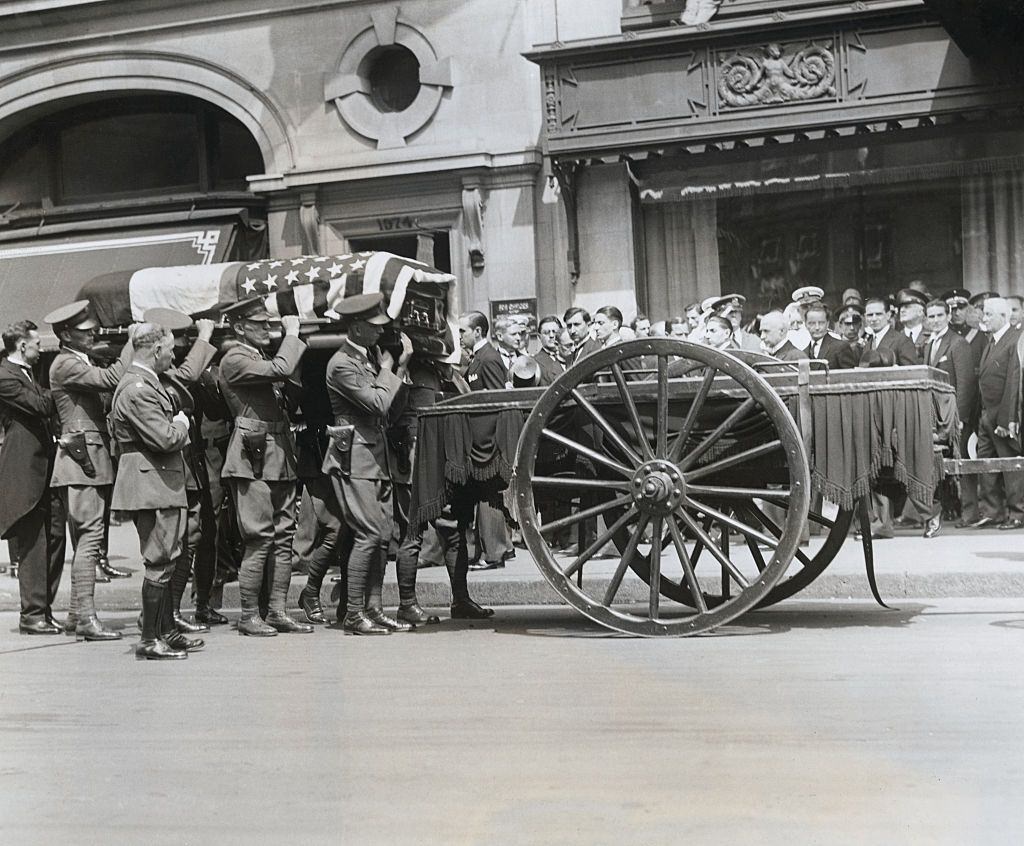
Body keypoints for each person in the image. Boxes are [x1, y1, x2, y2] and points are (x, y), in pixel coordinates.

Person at [108, 322, 203, 660]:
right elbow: (164, 438)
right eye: (171, 348)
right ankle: (150, 639)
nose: (174, 354)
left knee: (168, 556)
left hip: (158, 480)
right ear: (156, 350)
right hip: (152, 482)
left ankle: (164, 630)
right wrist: (182, 423)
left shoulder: (146, 382)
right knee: (159, 560)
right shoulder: (138, 388)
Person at [219, 298, 312, 636]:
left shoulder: (259, 357)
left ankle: (277, 610)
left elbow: (284, 385)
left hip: (278, 454)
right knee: (259, 538)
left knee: (284, 537)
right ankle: (247, 615)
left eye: (267, 323)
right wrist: (293, 333)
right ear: (239, 327)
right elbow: (282, 369)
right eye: (258, 323)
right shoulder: (235, 359)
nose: (266, 328)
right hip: (252, 458)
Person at [323, 294, 412, 634]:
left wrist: (399, 367)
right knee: (368, 532)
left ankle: (374, 609)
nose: (379, 334)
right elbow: (377, 402)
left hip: (375, 455)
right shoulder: (342, 363)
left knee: (383, 534)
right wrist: (390, 368)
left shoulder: (370, 357)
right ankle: (354, 613)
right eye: (373, 328)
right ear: (356, 327)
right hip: (355, 456)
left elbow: (391, 404)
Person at [46, 300, 133, 640]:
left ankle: (75, 615)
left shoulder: (74, 360)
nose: (93, 333)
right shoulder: (66, 363)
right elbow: (112, 378)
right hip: (82, 460)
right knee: (91, 537)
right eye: (85, 331)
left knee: (86, 537)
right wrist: (133, 344)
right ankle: (86, 619)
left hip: (84, 459)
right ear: (66, 334)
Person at [140, 308, 218, 636]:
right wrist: (205, 337)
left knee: (192, 539)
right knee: (176, 544)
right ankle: (162, 619)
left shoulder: (168, 374)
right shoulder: (157, 378)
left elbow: (208, 401)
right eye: (173, 346)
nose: (176, 353)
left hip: (188, 467)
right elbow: (184, 376)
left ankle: (170, 615)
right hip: (171, 469)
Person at [0, 321, 65, 636]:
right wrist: (64, 386)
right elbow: (40, 406)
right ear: (21, 346)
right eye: (37, 343)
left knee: (55, 538)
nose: (42, 348)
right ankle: (32, 614)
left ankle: (45, 610)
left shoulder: (25, 374)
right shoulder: (4, 377)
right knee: (33, 544)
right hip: (25, 471)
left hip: (44, 469)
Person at [913, 299, 977, 538]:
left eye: (940, 315)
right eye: (931, 316)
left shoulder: (957, 343)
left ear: (948, 317)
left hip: (952, 417)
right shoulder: (930, 344)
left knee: (958, 466)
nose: (936, 320)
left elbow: (966, 383)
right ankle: (938, 513)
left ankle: (968, 513)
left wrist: (959, 418)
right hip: (935, 416)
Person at [970, 297, 1023, 530]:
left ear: (1003, 316)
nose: (984, 318)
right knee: (986, 465)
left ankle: (1017, 513)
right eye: (984, 313)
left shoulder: (1014, 340)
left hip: (1001, 416)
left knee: (1010, 466)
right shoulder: (991, 341)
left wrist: (1006, 419)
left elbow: (1013, 382)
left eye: (989, 314)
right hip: (985, 415)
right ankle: (993, 512)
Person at [860, 297, 917, 366]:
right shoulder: (867, 344)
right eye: (870, 315)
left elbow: (911, 372)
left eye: (878, 314)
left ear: (888, 315)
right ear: (865, 317)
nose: (874, 319)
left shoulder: (903, 341)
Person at [805, 304, 859, 368]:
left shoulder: (841, 347)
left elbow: (851, 376)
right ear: (806, 325)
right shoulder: (804, 352)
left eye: (821, 323)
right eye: (812, 323)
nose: (817, 327)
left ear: (827, 324)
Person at [896, 287, 930, 360]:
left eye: (907, 307)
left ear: (920, 312)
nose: (902, 310)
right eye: (900, 308)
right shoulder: (895, 338)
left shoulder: (932, 337)